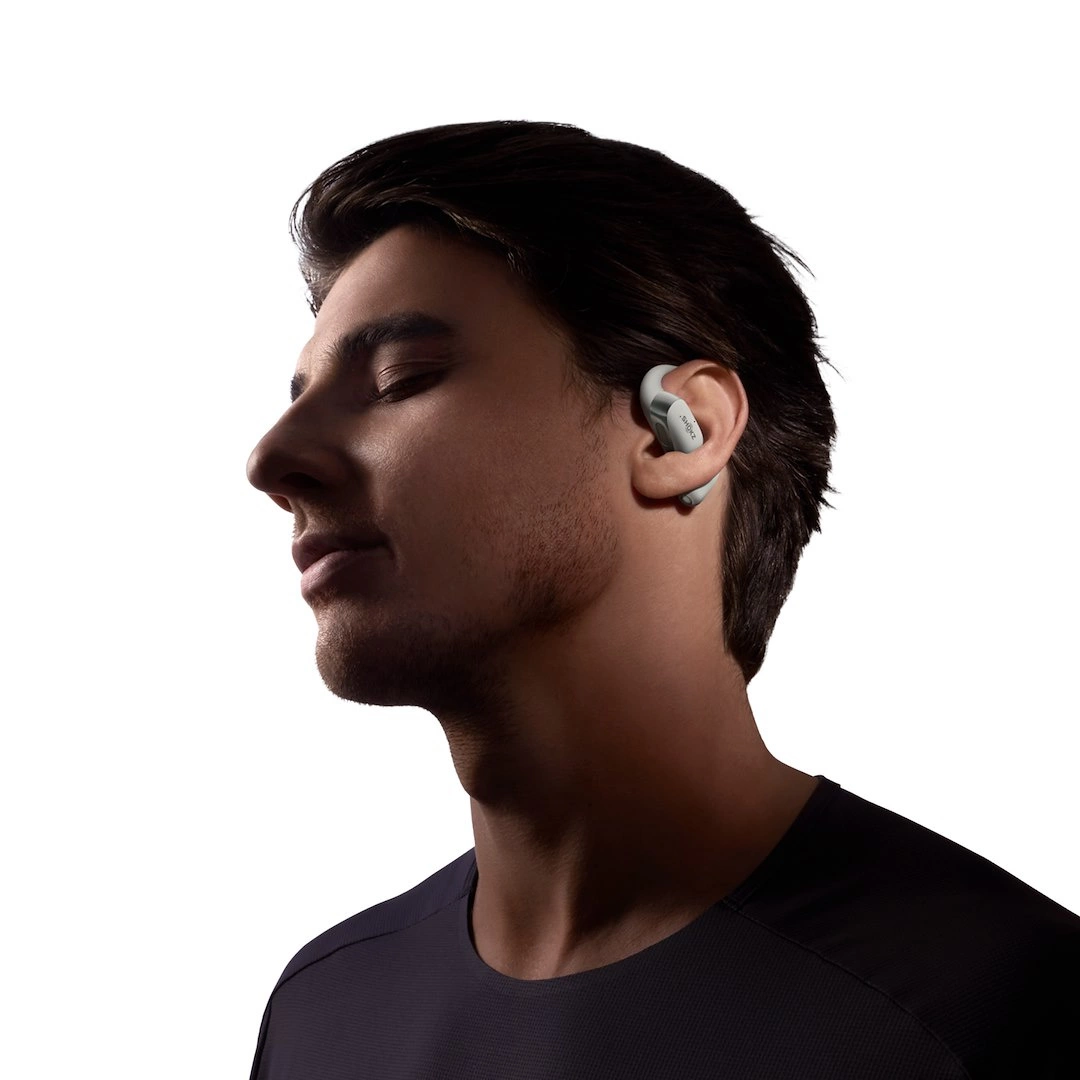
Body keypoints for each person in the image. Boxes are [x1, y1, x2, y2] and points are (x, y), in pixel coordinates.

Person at [244, 121, 1078, 1079]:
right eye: (299, 396)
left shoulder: (1001, 1008)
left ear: (680, 431)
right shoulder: (326, 1013)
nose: (272, 460)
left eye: (404, 379)